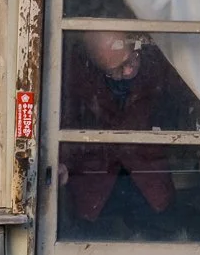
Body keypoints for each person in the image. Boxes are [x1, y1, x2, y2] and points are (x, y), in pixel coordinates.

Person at [58, 30, 184, 241]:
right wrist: (61, 161)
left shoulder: (157, 65)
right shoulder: (77, 76)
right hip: (94, 181)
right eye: (115, 70)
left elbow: (178, 110)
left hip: (148, 177)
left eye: (129, 61)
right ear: (96, 65)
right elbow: (66, 120)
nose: (126, 72)